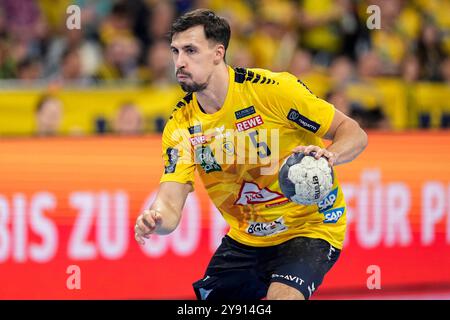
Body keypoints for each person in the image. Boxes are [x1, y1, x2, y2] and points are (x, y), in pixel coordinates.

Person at [134, 9, 368, 300]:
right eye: (175, 51)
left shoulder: (272, 91)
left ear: (218, 53)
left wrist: (328, 156)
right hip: (247, 239)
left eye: (191, 51)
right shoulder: (181, 126)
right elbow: (170, 202)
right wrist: (155, 219)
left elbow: (353, 132)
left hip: (310, 227)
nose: (180, 62)